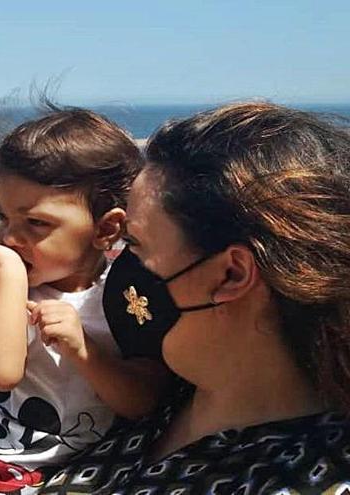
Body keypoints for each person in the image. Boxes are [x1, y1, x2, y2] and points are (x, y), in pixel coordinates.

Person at [44, 102, 350, 493]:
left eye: (135, 246)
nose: (121, 268)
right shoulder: (155, 395)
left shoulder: (303, 477)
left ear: (231, 274)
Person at [0, 107, 172, 495]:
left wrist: (85, 352)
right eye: (4, 218)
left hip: (87, 479)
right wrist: (11, 276)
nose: (10, 238)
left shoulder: (126, 296)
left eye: (35, 223)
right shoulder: (4, 286)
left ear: (106, 227)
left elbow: (142, 400)